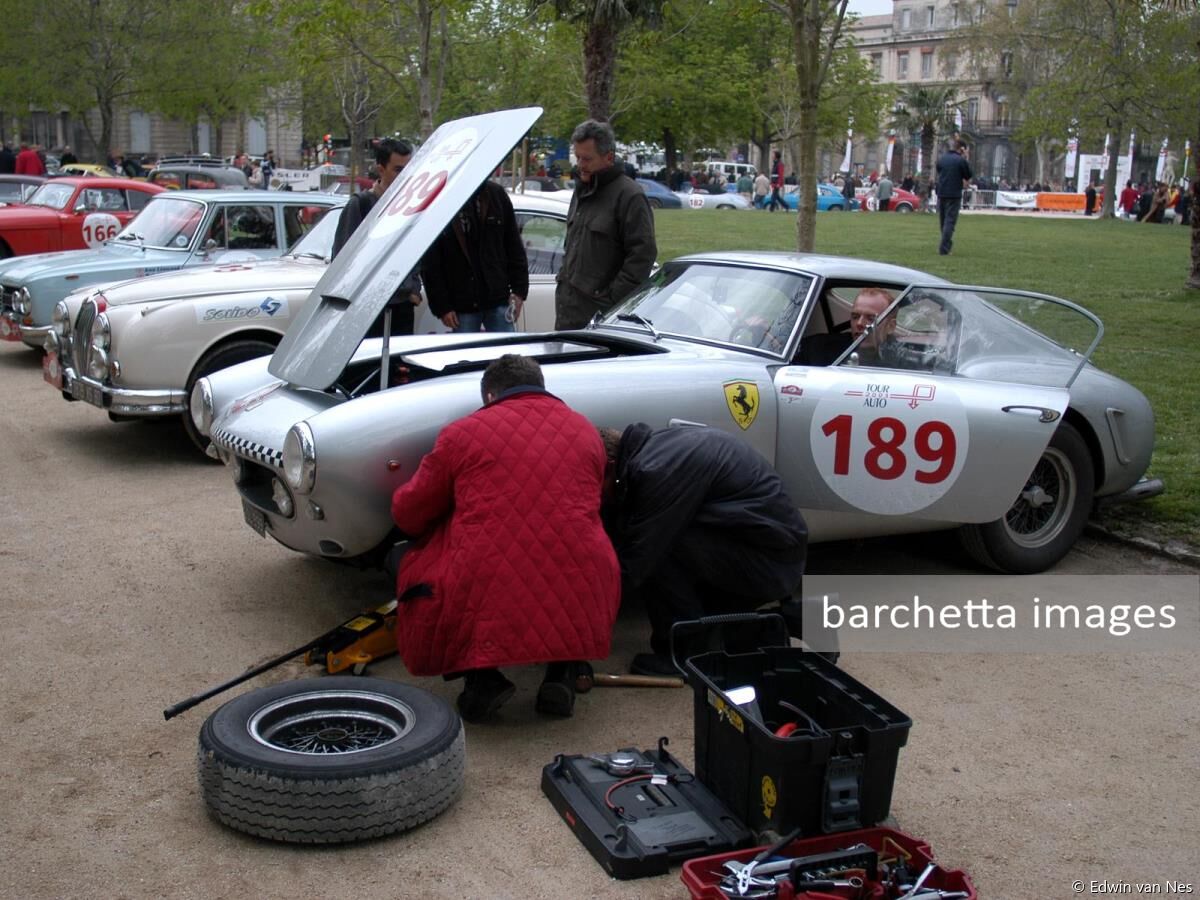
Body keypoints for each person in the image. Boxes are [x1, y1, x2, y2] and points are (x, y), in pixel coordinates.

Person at [390, 355, 620, 720]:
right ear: (541, 387)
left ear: (490, 395)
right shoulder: (585, 430)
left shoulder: (462, 432)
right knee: (560, 561)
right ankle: (561, 673)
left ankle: (483, 681)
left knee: (435, 565)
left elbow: (411, 510)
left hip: (491, 574)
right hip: (587, 570)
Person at [599, 423, 808, 676]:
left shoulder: (655, 470)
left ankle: (685, 656)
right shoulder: (656, 450)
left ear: (610, 465)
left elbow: (638, 559)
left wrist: (580, 607)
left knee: (656, 550)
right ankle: (799, 620)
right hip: (767, 552)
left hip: (769, 562)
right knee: (717, 630)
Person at [554, 120, 657, 329]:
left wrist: (611, 301)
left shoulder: (630, 196)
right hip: (569, 314)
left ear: (608, 157)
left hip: (601, 320)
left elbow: (642, 256)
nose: (580, 165)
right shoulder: (582, 190)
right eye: (578, 157)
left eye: (587, 159)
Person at [332, 137, 422, 333]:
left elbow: (416, 249)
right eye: (398, 170)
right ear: (381, 169)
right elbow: (341, 260)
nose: (405, 176)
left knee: (399, 362)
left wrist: (413, 288)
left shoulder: (411, 206)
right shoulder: (360, 204)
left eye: (409, 169)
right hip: (366, 309)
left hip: (402, 306)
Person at [421, 180, 528, 333]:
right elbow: (431, 261)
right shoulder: (443, 199)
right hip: (462, 303)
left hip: (497, 298)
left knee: (507, 352)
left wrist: (519, 292)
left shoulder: (496, 195)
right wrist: (443, 306)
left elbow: (514, 245)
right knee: (464, 356)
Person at [934, 139, 972, 255]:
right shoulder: (960, 160)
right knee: (950, 221)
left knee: (943, 220)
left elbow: (939, 170)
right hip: (954, 193)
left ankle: (946, 244)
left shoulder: (942, 159)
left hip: (942, 192)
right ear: (962, 149)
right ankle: (944, 248)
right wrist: (966, 158)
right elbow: (968, 175)